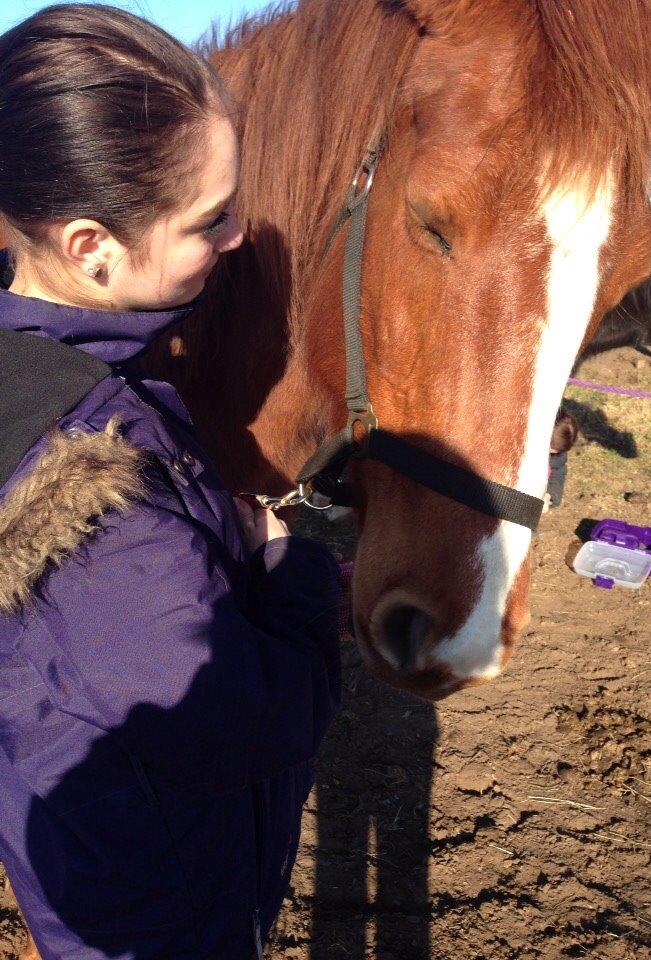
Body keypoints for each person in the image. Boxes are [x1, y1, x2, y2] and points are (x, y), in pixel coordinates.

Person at [0, 6, 341, 960]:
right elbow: (244, 722)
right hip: (158, 917)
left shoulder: (44, 364)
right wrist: (295, 580)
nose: (238, 238)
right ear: (88, 245)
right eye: (208, 220)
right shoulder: (85, 501)